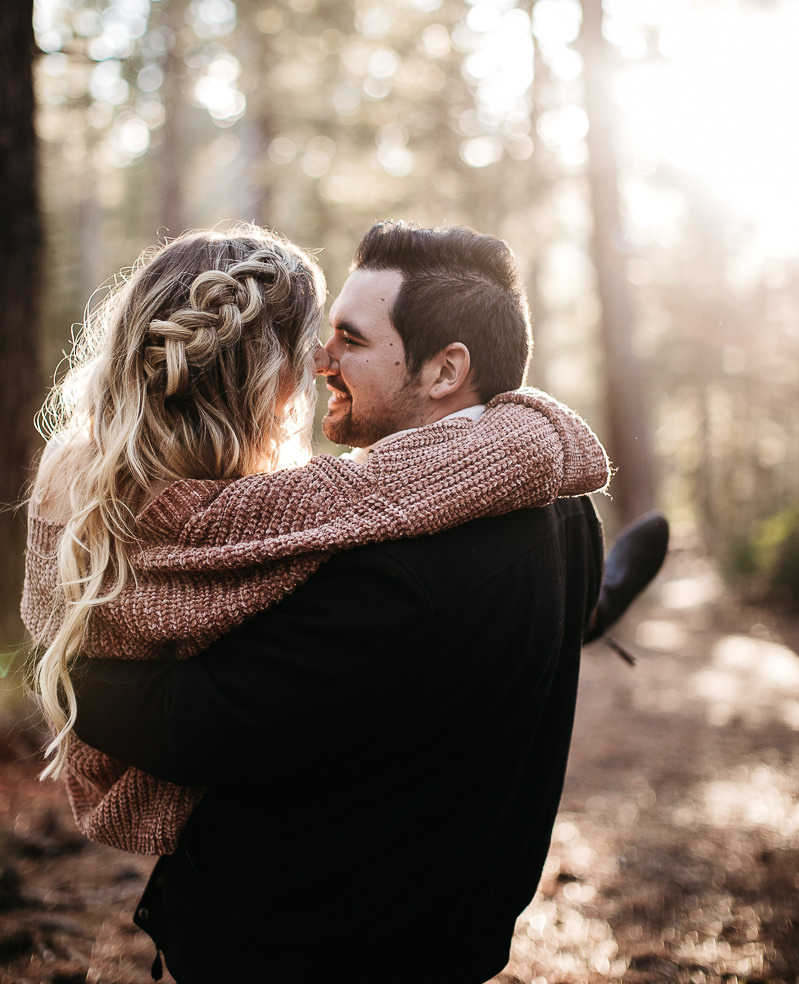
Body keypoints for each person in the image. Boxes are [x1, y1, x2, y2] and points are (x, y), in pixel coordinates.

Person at [23, 222, 614, 984]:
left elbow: (191, 724)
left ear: (445, 370)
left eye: (351, 339)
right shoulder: (566, 508)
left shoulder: (388, 561)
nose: (320, 361)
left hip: (298, 946)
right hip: (452, 933)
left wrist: (62, 646)